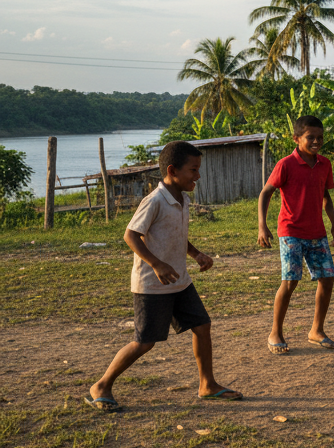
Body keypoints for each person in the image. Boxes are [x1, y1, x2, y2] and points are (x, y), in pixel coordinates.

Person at [86, 141, 242, 411]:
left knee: (202, 327)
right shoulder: (155, 200)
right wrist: (157, 264)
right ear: (172, 170)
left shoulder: (183, 198)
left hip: (179, 280)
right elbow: (130, 235)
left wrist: (196, 254)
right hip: (152, 284)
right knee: (144, 342)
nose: (198, 176)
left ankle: (207, 385)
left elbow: (177, 234)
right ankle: (102, 385)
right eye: (193, 170)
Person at [258, 115, 334, 354]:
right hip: (291, 231)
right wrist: (262, 226)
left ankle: (316, 330)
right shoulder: (286, 164)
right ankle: (275, 332)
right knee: (290, 281)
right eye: (310, 137)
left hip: (317, 232)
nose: (316, 141)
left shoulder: (324, 164)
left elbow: (326, 197)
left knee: (327, 279)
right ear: (296, 138)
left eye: (320, 137)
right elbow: (266, 193)